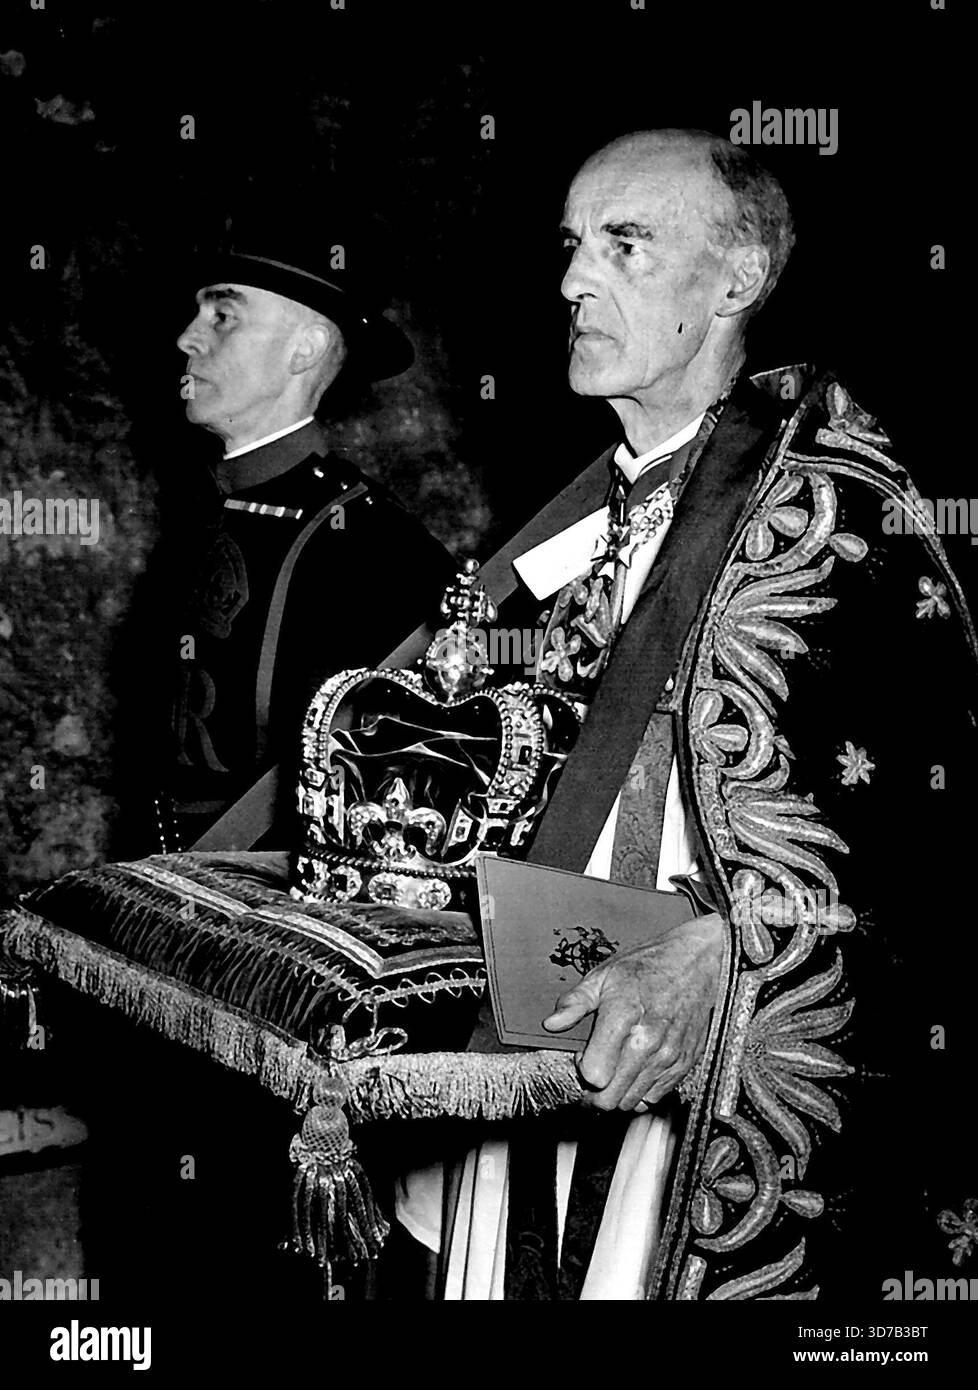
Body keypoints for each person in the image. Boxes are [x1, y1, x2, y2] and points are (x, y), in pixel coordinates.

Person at [392, 128, 978, 1300]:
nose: (570, 281)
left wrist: (727, 949)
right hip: (547, 1045)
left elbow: (945, 840)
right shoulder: (570, 524)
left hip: (716, 1096)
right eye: (570, 246)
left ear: (736, 280)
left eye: (625, 243)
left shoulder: (846, 524)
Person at [118, 212, 455, 854]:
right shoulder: (204, 514)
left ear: (303, 349)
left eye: (224, 316)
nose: (188, 339)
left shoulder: (380, 552)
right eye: (196, 314)